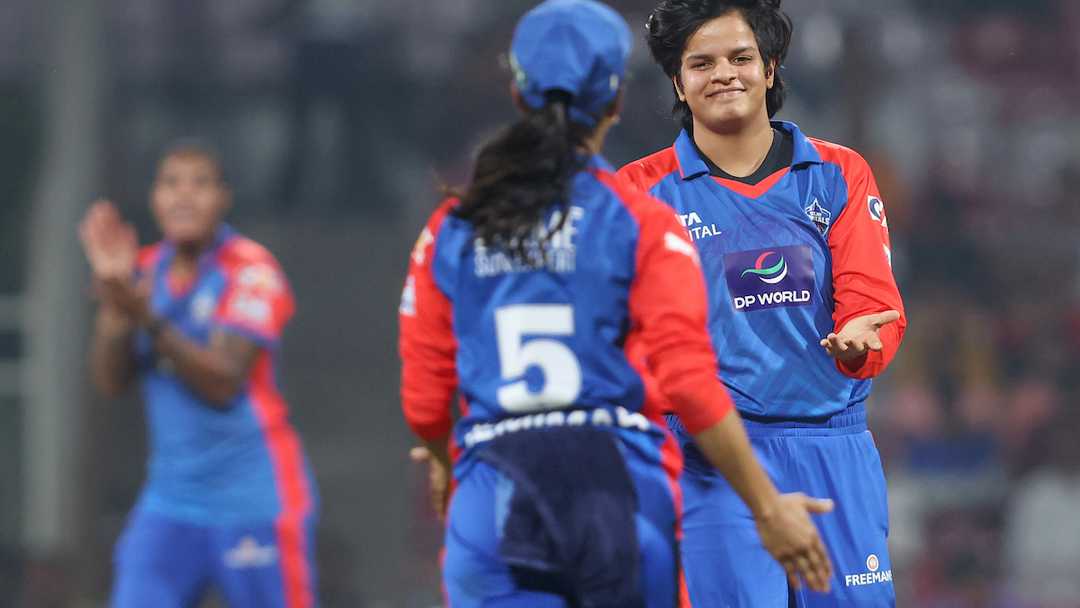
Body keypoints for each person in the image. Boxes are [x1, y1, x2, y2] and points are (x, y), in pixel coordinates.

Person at [399, 1, 834, 606]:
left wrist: (447, 467)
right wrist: (765, 506)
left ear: (518, 93)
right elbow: (689, 383)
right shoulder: (642, 223)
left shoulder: (450, 230)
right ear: (615, 99)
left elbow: (425, 400)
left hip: (490, 502)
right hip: (612, 497)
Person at [617, 1, 907, 605]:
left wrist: (860, 341)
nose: (723, 74)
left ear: (770, 68)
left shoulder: (839, 173)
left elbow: (872, 302)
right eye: (702, 63)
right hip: (708, 458)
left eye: (741, 57)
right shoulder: (639, 192)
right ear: (678, 82)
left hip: (832, 449)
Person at [80, 141, 317, 607]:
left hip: (253, 497)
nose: (184, 196)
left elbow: (223, 383)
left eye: (200, 183)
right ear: (154, 198)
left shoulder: (251, 270)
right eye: (171, 184)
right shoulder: (143, 272)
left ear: (223, 197)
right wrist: (115, 310)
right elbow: (110, 381)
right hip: (170, 501)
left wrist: (145, 317)